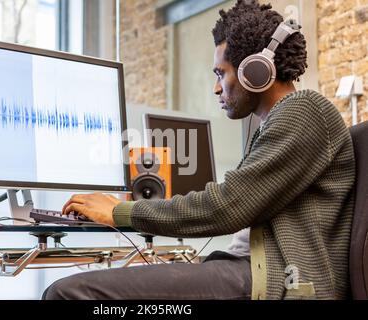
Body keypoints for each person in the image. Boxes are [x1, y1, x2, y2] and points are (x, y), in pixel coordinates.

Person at [43, 0, 355, 300]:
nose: (216, 87)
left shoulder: (305, 111)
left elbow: (226, 207)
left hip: (278, 281)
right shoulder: (279, 121)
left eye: (221, 73)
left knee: (68, 292)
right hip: (251, 271)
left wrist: (118, 211)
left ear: (255, 71)